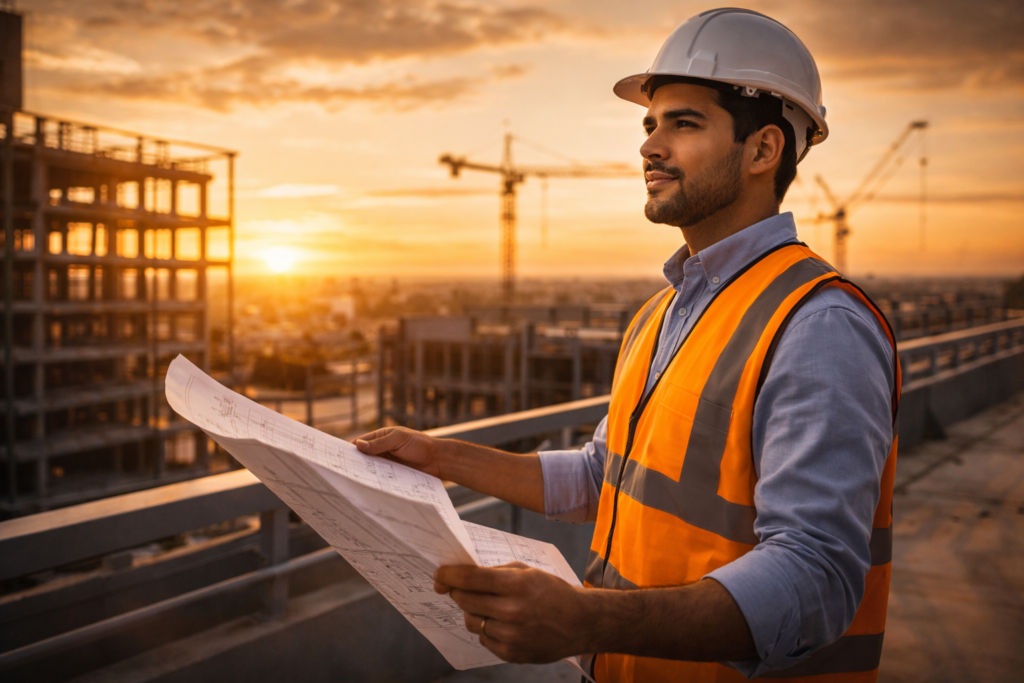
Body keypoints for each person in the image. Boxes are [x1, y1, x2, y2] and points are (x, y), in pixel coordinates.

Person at [356, 8, 900, 682]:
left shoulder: (817, 326)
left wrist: (589, 619)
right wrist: (442, 456)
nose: (650, 147)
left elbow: (816, 579)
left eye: (684, 124)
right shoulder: (660, 314)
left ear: (763, 150)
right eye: (650, 125)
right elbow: (601, 476)